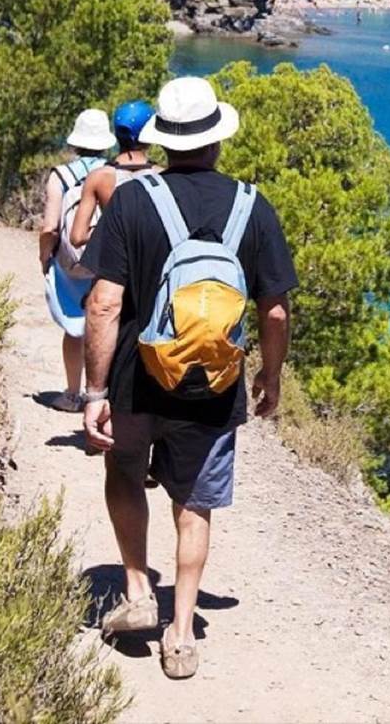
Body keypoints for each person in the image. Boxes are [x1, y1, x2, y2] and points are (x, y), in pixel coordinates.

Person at [80, 76, 296, 681]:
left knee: (123, 470)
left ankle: (136, 591)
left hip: (134, 378)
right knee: (194, 500)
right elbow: (274, 307)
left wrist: (94, 393)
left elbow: (103, 303)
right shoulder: (253, 207)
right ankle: (181, 635)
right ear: (217, 140)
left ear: (165, 141)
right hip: (215, 385)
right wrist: (270, 378)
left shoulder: (131, 201)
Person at [40, 107, 117, 412]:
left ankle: (72, 395)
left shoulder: (60, 176)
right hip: (106, 260)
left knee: (74, 327)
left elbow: (49, 227)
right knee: (106, 324)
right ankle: (101, 396)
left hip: (70, 262)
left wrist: (45, 257)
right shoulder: (114, 173)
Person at [69, 100, 157, 253]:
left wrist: (113, 230)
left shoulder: (98, 177)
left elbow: (77, 237)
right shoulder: (163, 175)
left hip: (114, 261)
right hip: (152, 262)